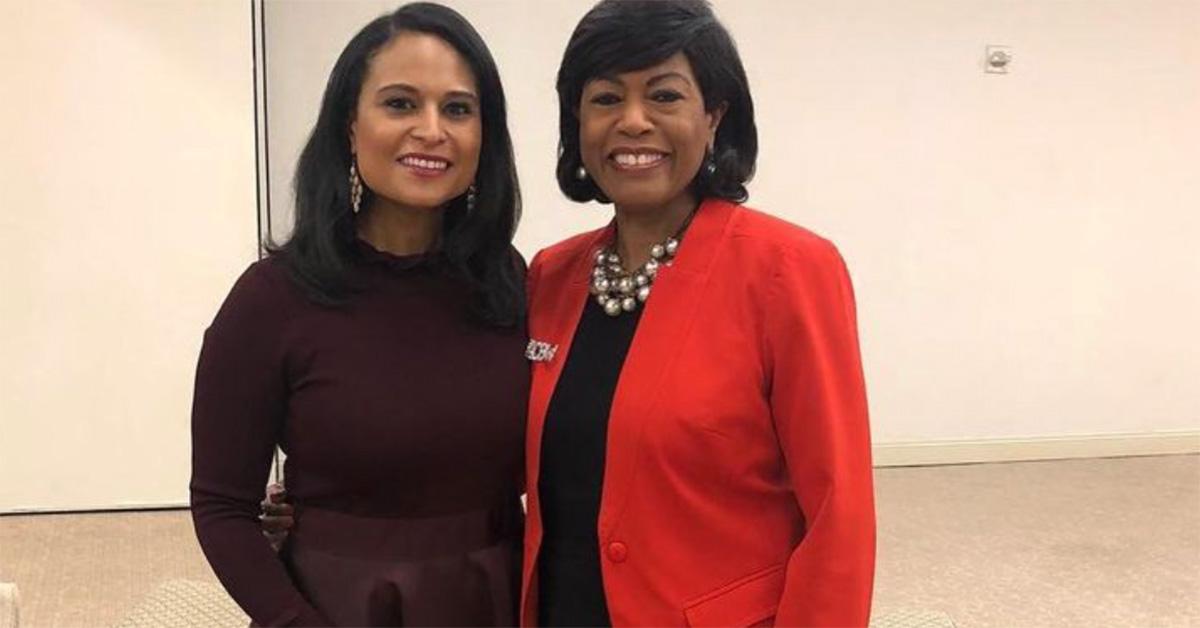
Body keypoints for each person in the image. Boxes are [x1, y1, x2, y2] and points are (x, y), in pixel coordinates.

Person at [522, 1, 876, 625]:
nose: (632, 122)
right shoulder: (550, 276)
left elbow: (837, 515)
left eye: (664, 96)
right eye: (605, 99)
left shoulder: (788, 270)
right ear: (576, 119)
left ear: (713, 116)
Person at [189, 3, 527, 625]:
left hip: (496, 598)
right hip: (337, 606)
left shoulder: (512, 285)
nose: (431, 130)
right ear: (350, 125)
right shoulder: (272, 299)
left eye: (457, 108)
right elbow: (220, 507)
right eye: (400, 104)